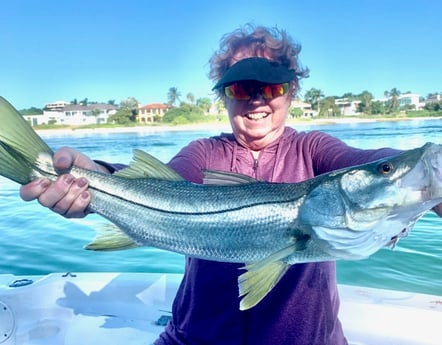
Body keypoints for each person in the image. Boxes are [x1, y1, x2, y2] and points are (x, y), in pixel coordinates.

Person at [20, 24, 442, 345]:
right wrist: (94, 177)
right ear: (224, 95)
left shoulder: (315, 149)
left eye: (271, 86)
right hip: (192, 338)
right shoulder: (203, 153)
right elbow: (161, 183)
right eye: (242, 87)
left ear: (291, 91)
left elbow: (367, 165)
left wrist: (429, 184)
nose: (257, 99)